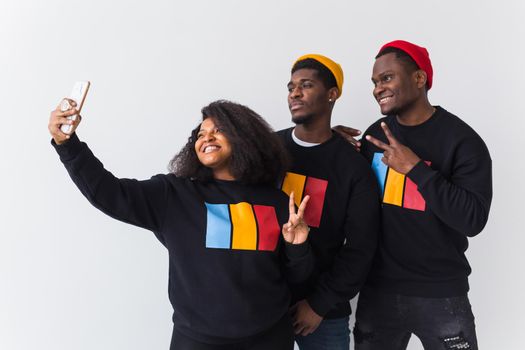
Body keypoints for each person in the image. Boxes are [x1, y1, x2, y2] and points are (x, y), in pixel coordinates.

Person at [48, 99, 314, 350]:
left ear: (243, 137)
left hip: (269, 338)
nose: (206, 137)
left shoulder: (278, 202)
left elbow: (296, 279)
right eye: (200, 134)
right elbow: (109, 194)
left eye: (218, 130)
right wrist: (68, 144)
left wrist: (298, 245)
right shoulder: (174, 195)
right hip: (198, 340)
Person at [352, 40, 492, 350]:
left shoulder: (462, 141)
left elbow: (472, 220)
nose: (377, 88)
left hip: (441, 294)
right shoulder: (375, 135)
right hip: (378, 291)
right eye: (375, 82)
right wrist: (331, 145)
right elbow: (356, 205)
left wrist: (415, 169)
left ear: (419, 78)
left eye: (387, 78)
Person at [278, 54, 381, 349]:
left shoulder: (353, 167)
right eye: (291, 87)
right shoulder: (269, 149)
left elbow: (361, 248)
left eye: (306, 85)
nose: (294, 93)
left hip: (323, 312)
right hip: (266, 302)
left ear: (332, 94)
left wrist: (319, 305)